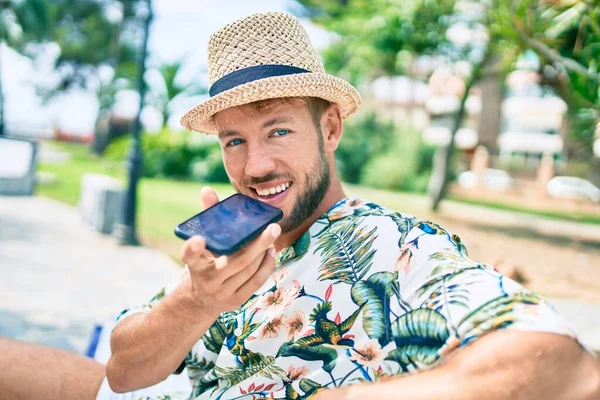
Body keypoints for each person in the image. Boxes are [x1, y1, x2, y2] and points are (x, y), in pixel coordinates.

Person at [1, 11, 599, 400]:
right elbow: (123, 371)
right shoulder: (233, 253)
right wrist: (195, 300)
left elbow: (556, 359)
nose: (254, 164)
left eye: (278, 131)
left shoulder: (396, 247)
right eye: (234, 139)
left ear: (330, 129)